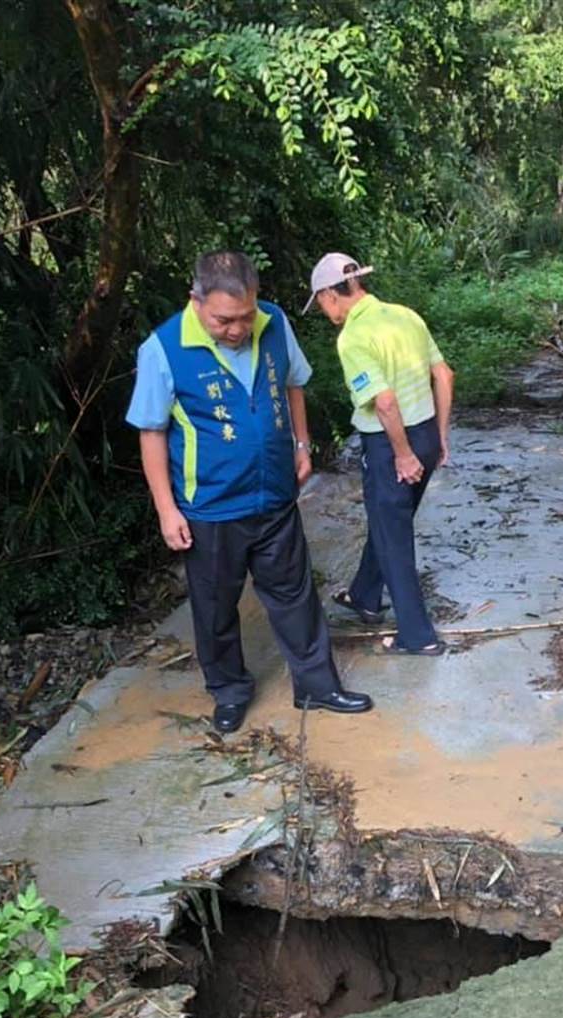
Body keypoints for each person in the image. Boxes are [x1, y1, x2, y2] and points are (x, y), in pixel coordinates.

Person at [126, 250, 372, 733]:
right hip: (211, 507)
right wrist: (165, 510)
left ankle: (317, 685)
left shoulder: (274, 321)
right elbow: (151, 431)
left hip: (275, 494)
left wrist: (302, 444)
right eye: (224, 320)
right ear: (195, 301)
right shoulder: (164, 348)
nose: (238, 329)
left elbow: (294, 384)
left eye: (245, 316)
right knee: (215, 606)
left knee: (296, 594)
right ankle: (230, 691)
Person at [303, 253, 454, 655]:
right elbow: (443, 374)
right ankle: (364, 595)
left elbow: (384, 403)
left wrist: (402, 454)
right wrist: (439, 436)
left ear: (330, 294)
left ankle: (418, 637)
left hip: (391, 445)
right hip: (423, 432)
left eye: (319, 300)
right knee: (388, 522)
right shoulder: (405, 315)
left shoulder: (353, 337)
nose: (322, 309)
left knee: (394, 537)